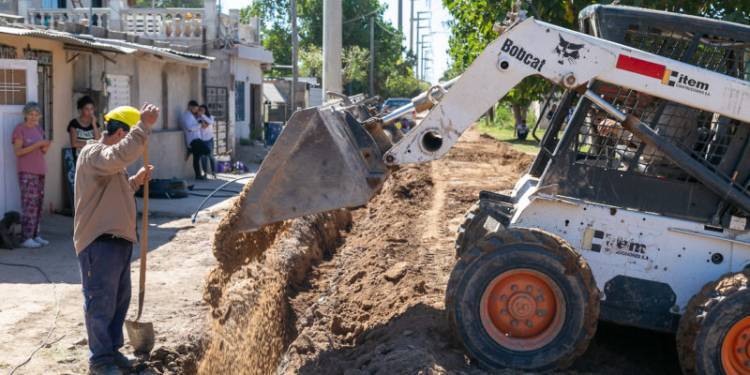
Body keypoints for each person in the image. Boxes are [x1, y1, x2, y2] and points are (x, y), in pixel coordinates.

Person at [73, 104, 159, 375]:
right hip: (99, 242)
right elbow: (116, 157)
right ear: (121, 133)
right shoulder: (94, 154)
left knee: (118, 301)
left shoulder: (111, 164)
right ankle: (99, 360)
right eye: (130, 136)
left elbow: (114, 192)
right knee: (101, 302)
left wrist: (135, 181)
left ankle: (111, 352)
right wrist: (143, 127)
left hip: (118, 241)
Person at [12, 102, 50, 249]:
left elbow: (42, 152)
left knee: (39, 204)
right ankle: (25, 237)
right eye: (31, 114)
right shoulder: (19, 129)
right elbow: (18, 152)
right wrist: (37, 144)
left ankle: (35, 235)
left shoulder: (39, 129)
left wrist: (46, 145)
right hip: (27, 171)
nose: (34, 117)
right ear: (25, 115)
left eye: (36, 114)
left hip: (40, 170)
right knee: (29, 205)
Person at [179, 100, 210, 180]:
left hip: (196, 138)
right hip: (193, 140)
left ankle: (198, 175)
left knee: (196, 158)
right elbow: (190, 128)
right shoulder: (187, 116)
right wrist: (199, 125)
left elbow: (195, 126)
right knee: (207, 150)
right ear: (190, 107)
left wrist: (198, 122)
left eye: (196, 109)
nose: (196, 111)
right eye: (195, 109)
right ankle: (190, 150)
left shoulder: (191, 115)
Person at [197, 104, 216, 178]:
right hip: (201, 140)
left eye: (203, 110)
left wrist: (203, 116)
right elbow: (201, 126)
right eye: (200, 110)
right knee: (203, 157)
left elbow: (210, 122)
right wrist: (200, 117)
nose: (201, 111)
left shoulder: (210, 117)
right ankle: (205, 173)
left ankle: (213, 172)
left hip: (209, 140)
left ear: (206, 110)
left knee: (211, 156)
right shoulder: (198, 118)